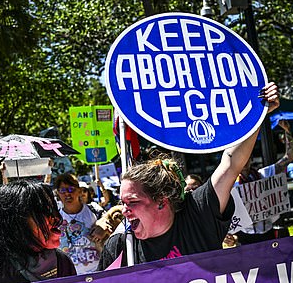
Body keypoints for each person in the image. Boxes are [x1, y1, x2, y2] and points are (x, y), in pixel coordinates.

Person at [97, 81, 280, 269]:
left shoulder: (198, 213)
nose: (124, 211)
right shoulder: (122, 247)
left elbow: (231, 163)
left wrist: (258, 113)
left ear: (161, 200)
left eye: (132, 202)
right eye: (123, 202)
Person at [0, 180, 76, 283]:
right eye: (44, 212)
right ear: (16, 223)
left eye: (54, 209)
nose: (55, 218)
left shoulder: (61, 262)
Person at [229, 118, 293, 245]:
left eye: (246, 158)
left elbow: (289, 157)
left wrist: (287, 132)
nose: (243, 161)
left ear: (251, 159)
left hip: (267, 232)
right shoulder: (232, 184)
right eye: (240, 158)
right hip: (246, 236)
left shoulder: (263, 174)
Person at [54, 173, 105, 274]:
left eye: (71, 189)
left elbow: (111, 221)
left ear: (79, 191)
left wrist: (103, 227)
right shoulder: (55, 219)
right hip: (70, 277)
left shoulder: (95, 210)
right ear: (58, 194)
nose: (67, 194)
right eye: (62, 190)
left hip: (98, 272)